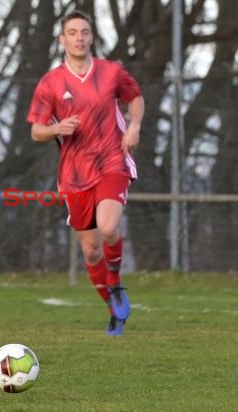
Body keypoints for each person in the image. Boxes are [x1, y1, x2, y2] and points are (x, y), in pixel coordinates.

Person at [27, 10, 144, 336]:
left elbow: (135, 98)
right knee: (90, 250)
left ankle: (116, 281)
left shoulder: (110, 72)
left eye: (85, 32)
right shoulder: (50, 82)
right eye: (72, 32)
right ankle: (114, 312)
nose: (79, 37)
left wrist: (133, 127)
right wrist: (56, 128)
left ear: (91, 37)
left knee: (108, 227)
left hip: (112, 161)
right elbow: (36, 130)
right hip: (74, 174)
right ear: (62, 39)